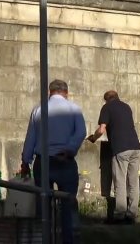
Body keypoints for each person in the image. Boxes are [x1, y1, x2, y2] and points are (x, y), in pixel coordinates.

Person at [20, 80, 86, 244]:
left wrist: (25, 162)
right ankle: (68, 240)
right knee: (68, 203)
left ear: (50, 92)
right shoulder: (74, 109)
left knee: (43, 205)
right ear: (66, 92)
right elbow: (81, 133)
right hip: (65, 161)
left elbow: (31, 138)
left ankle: (43, 239)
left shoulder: (39, 109)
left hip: (43, 162)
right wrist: (69, 150)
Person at [87, 90, 140, 224]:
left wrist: (93, 138)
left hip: (121, 149)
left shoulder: (107, 107)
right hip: (135, 147)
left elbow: (101, 129)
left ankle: (119, 215)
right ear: (117, 97)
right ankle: (132, 214)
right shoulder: (126, 107)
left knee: (120, 182)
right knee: (133, 182)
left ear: (106, 100)